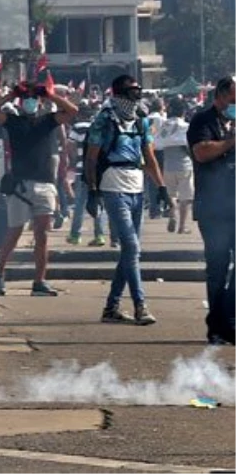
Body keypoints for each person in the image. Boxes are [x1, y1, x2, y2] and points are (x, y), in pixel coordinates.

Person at [85, 75, 169, 325]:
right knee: (132, 248)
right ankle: (140, 305)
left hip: (136, 185)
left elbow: (149, 157)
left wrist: (161, 187)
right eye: (132, 92)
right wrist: (92, 190)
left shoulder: (141, 122)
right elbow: (91, 158)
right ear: (120, 95)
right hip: (113, 185)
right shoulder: (105, 120)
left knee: (130, 252)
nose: (136, 97)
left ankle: (111, 307)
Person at [0, 79, 79, 297]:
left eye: (33, 98)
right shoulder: (13, 121)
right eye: (26, 98)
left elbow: (73, 111)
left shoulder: (47, 121)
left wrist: (49, 94)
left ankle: (39, 281)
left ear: (39, 102)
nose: (30, 101)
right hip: (20, 184)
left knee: (42, 234)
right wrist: (11, 94)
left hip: (44, 183)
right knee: (14, 231)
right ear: (21, 102)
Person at [187, 76, 236, 345]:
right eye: (234, 99)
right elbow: (202, 153)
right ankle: (217, 325)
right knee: (218, 267)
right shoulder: (203, 121)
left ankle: (227, 316)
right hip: (213, 207)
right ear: (221, 96)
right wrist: (231, 142)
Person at [66, 115, 108, 247]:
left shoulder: (78, 128)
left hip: (81, 170)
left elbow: (70, 145)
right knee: (99, 203)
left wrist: (74, 160)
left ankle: (75, 235)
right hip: (97, 171)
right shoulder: (101, 127)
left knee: (79, 204)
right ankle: (100, 235)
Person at [157, 98, 193, 235]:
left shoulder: (164, 126)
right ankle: (182, 226)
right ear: (183, 111)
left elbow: (158, 144)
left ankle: (172, 214)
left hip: (168, 164)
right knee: (186, 197)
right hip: (184, 164)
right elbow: (189, 145)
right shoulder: (185, 126)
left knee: (171, 194)